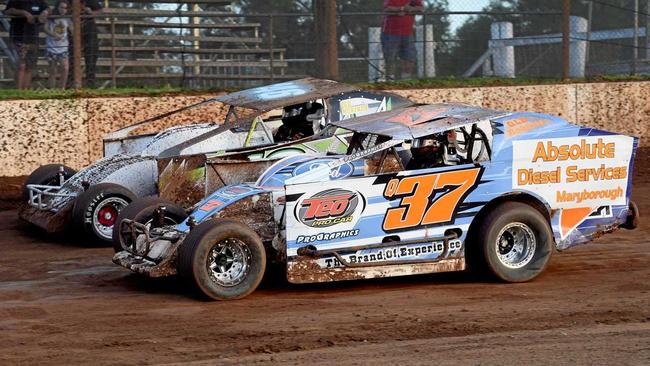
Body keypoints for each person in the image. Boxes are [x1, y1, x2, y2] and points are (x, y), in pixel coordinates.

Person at [4, 0, 49, 89]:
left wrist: (45, 11)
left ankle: (26, 90)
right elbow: (7, 11)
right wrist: (24, 13)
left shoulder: (39, 2)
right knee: (21, 65)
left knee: (30, 66)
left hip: (33, 37)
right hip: (18, 36)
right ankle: (18, 90)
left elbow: (47, 8)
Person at [381, 0, 423, 80]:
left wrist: (409, 9)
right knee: (390, 58)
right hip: (390, 33)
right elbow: (387, 9)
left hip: (407, 32)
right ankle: (390, 81)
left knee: (409, 58)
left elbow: (421, 9)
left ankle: (406, 80)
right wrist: (401, 9)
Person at [68, 0, 101, 88]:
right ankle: (71, 82)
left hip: (89, 29)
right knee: (72, 56)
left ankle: (90, 83)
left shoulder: (91, 2)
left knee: (91, 56)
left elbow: (98, 10)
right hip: (72, 29)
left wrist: (90, 12)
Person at [44, 0, 72, 89]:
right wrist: (53, 34)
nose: (63, 10)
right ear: (57, 7)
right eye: (61, 7)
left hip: (63, 47)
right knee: (53, 70)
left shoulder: (68, 18)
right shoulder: (51, 17)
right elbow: (45, 28)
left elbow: (72, 30)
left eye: (65, 8)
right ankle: (52, 89)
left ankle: (62, 88)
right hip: (51, 47)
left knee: (65, 68)